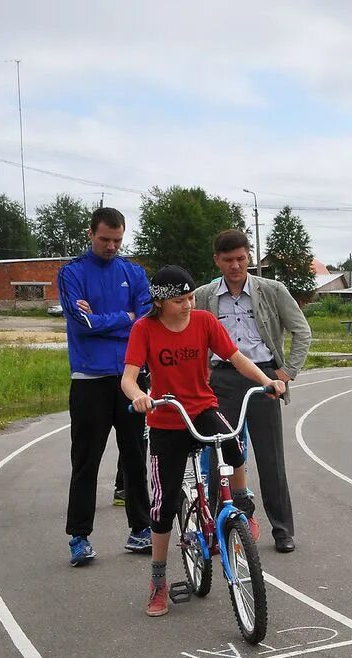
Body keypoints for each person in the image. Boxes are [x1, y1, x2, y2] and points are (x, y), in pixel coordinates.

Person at [121, 265, 286, 617]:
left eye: (191, 297)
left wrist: (266, 380)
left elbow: (236, 357)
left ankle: (240, 504)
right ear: (161, 302)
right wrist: (139, 396)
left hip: (201, 407)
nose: (188, 304)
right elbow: (129, 377)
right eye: (180, 300)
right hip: (167, 416)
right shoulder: (144, 329)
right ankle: (159, 580)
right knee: (163, 508)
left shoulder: (204, 322)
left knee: (232, 443)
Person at [194, 229, 312, 553]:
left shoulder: (272, 291)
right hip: (220, 381)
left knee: (270, 458)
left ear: (250, 256)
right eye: (228, 259)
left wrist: (286, 373)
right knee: (221, 456)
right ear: (217, 260)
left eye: (241, 258)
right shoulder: (205, 296)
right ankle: (221, 529)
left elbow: (302, 332)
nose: (236, 265)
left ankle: (283, 530)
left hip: (263, 379)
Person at [57, 207, 152, 566]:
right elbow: (81, 323)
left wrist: (105, 319)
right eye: (105, 239)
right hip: (89, 380)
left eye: (117, 240)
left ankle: (141, 529)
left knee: (134, 458)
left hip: (130, 378)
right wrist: (123, 317)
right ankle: (79, 537)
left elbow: (146, 318)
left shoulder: (134, 272)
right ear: (90, 234)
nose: (111, 246)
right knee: (86, 461)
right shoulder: (71, 273)